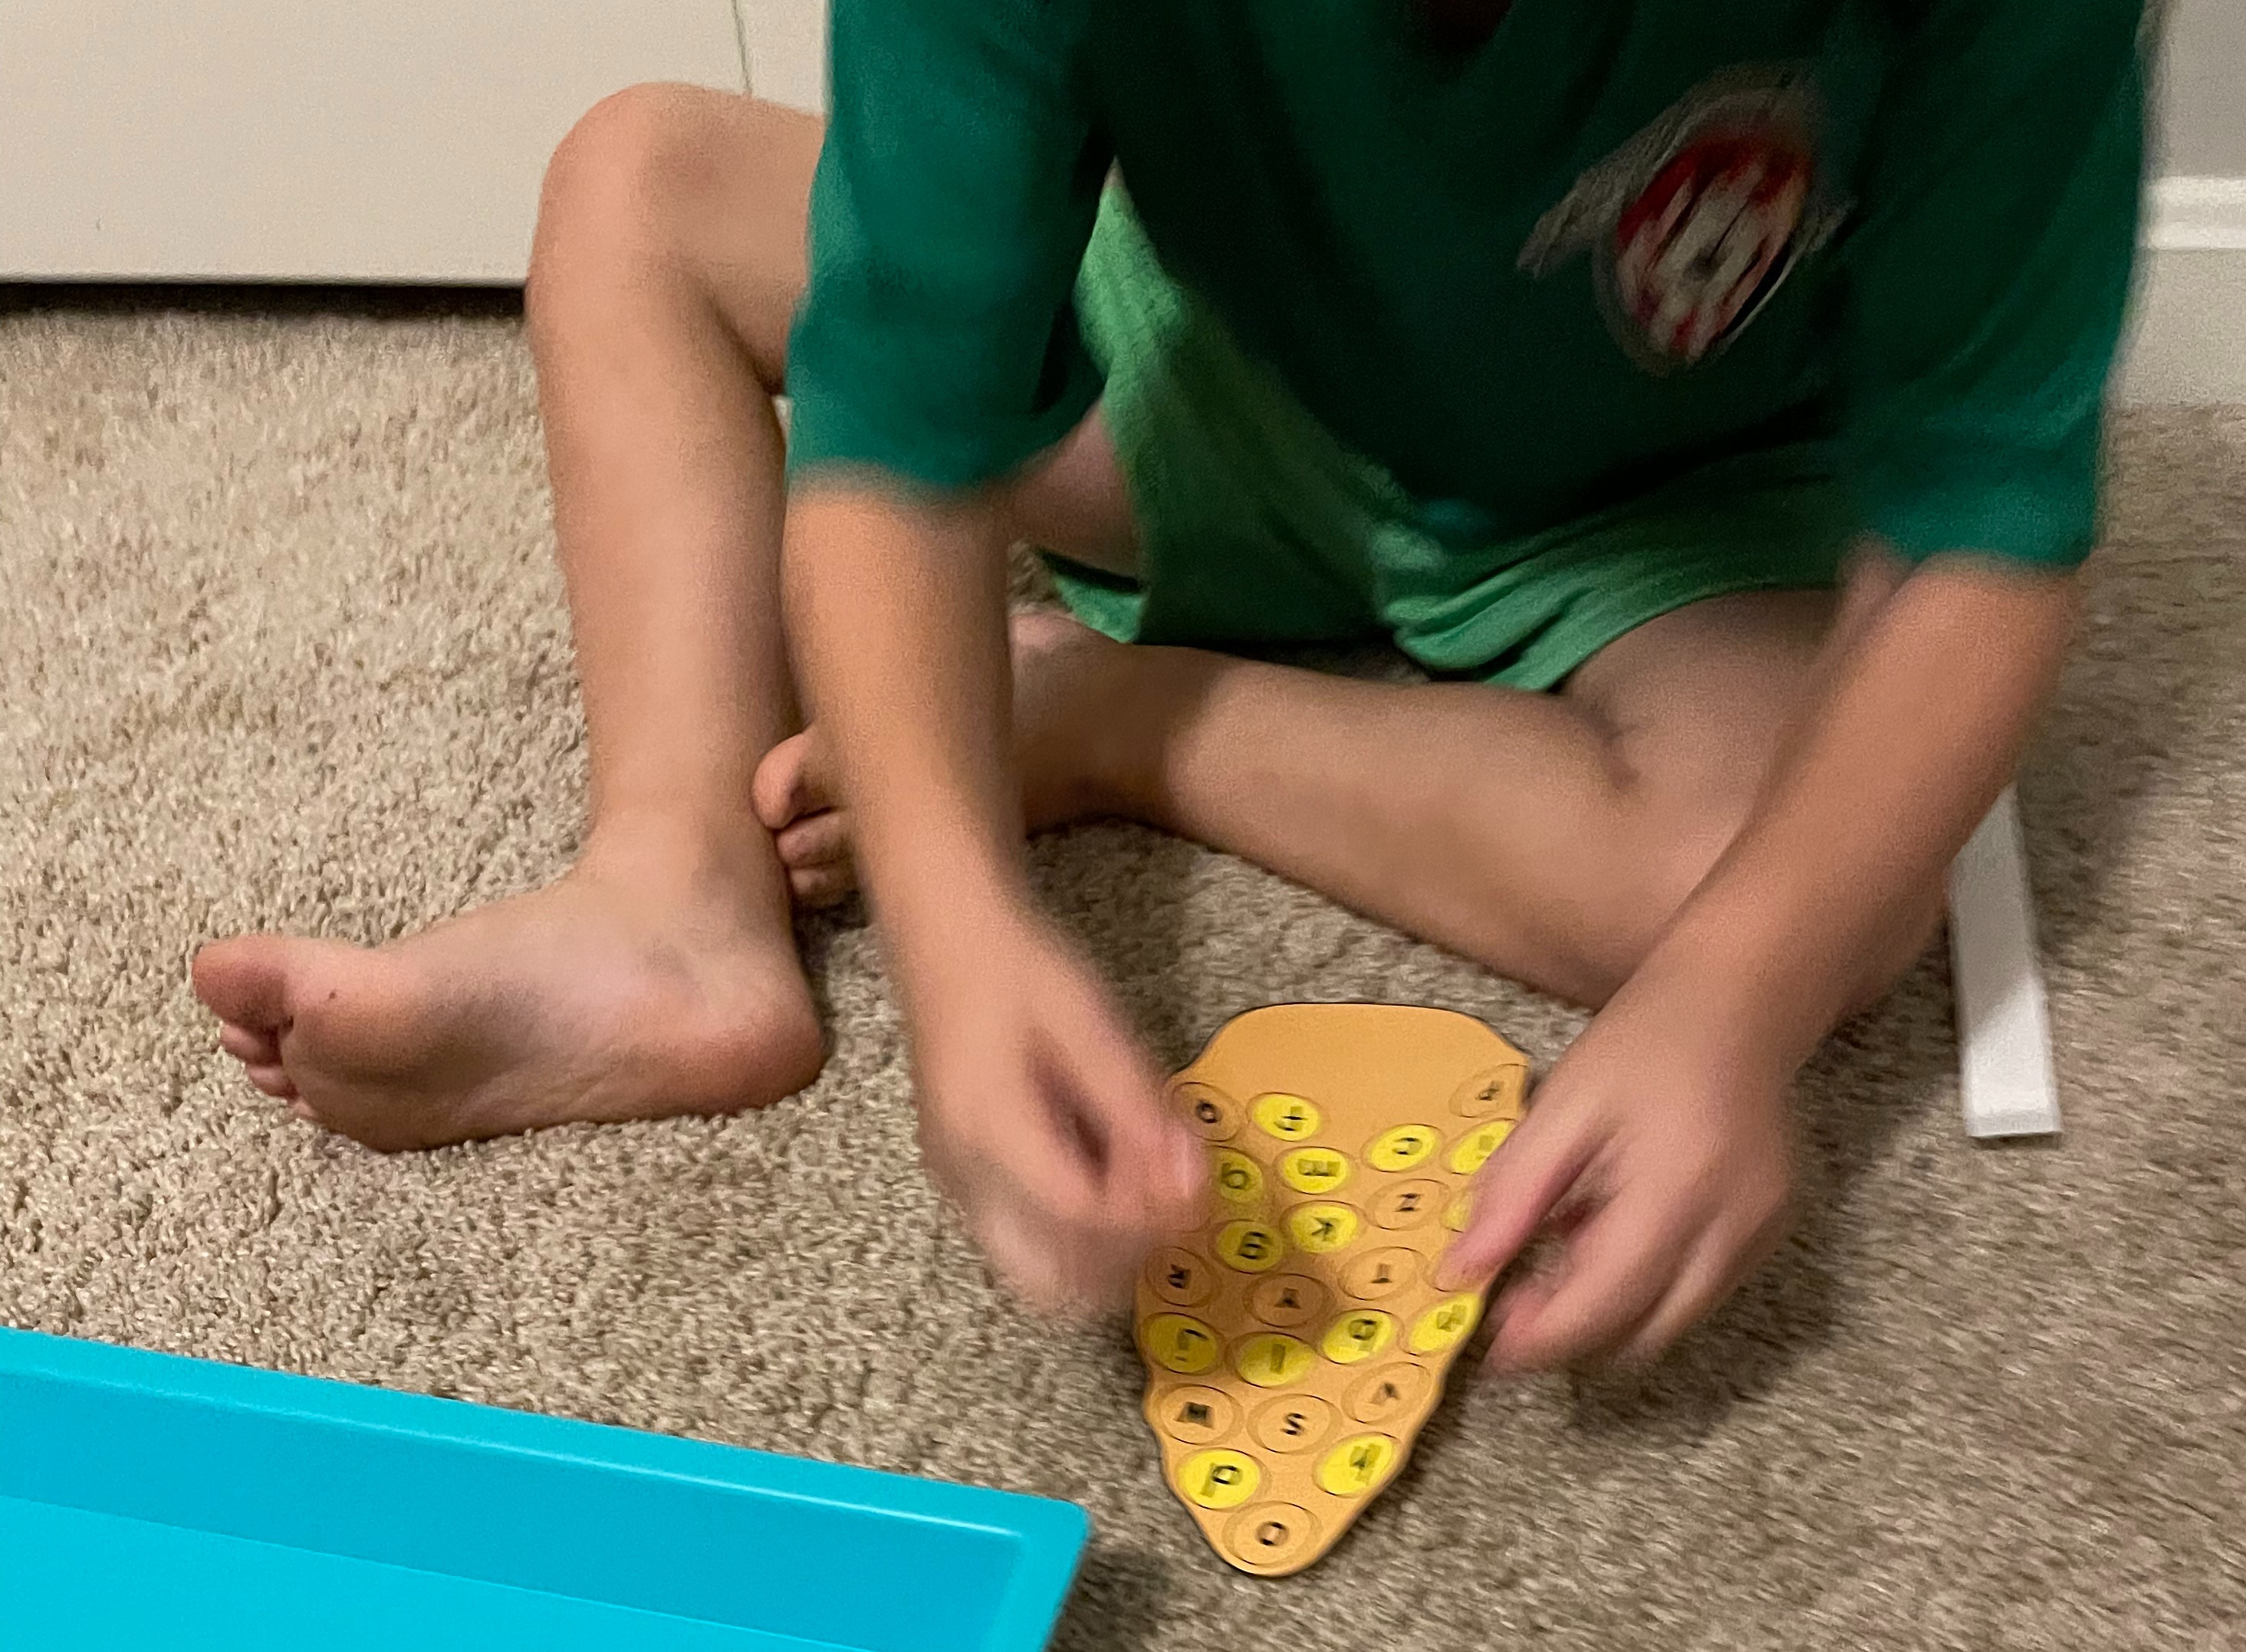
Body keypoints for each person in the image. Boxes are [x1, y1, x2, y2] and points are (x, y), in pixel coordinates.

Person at [195, 1, 2146, 1367]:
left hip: (1667, 509)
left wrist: (1735, 1000)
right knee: (639, 176)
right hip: (1203, 382)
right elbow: (901, 437)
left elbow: (1976, 524)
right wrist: (958, 929)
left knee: (1792, 882)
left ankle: (1121, 715)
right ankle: (671, 896)